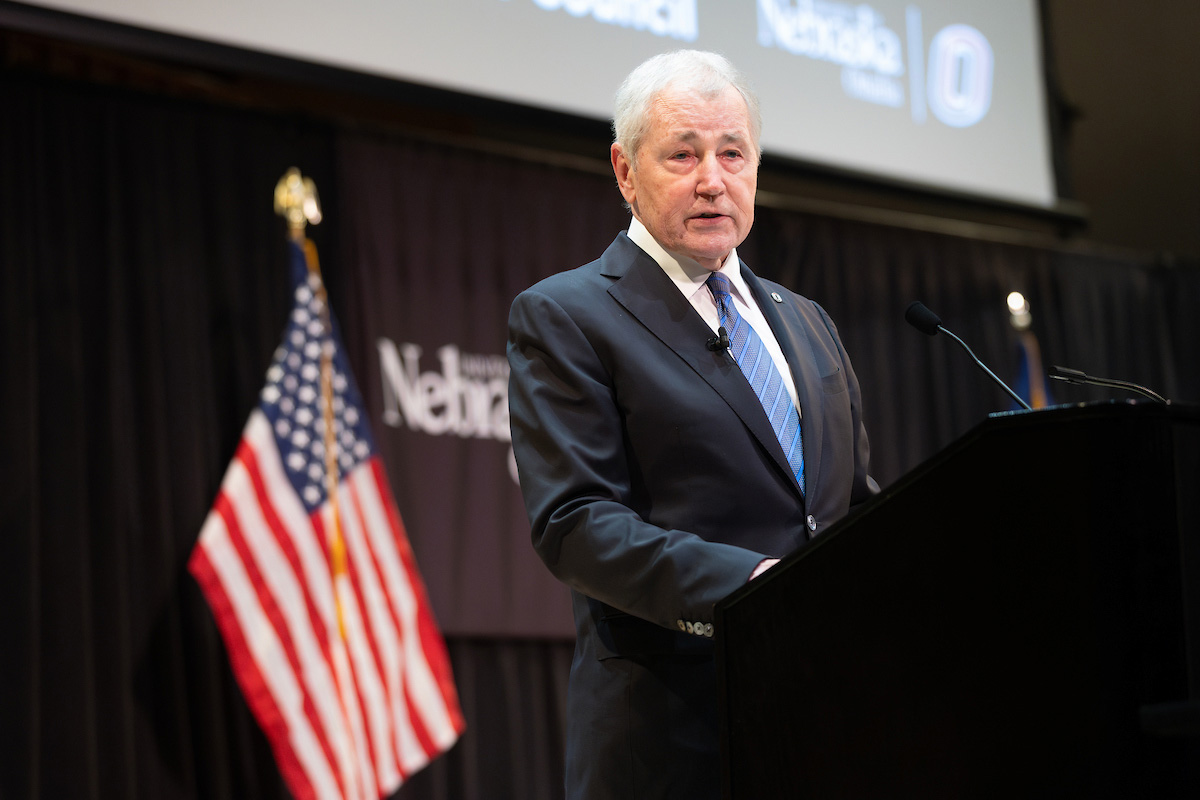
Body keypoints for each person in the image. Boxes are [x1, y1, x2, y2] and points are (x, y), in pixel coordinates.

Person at [506, 49, 879, 799]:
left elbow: (847, 506)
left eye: (732, 153)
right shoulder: (568, 315)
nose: (712, 179)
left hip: (827, 729)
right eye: (683, 153)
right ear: (625, 171)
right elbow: (575, 523)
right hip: (674, 743)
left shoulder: (807, 322)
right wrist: (752, 589)